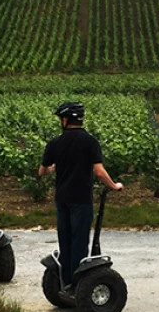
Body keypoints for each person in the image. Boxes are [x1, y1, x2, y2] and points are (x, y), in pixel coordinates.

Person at [38, 101, 122, 292]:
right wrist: (114, 186)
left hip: (62, 199)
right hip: (81, 199)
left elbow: (42, 171)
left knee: (65, 240)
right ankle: (79, 285)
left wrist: (54, 168)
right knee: (79, 241)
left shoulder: (55, 143)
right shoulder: (90, 141)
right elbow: (99, 172)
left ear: (66, 120)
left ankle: (66, 281)